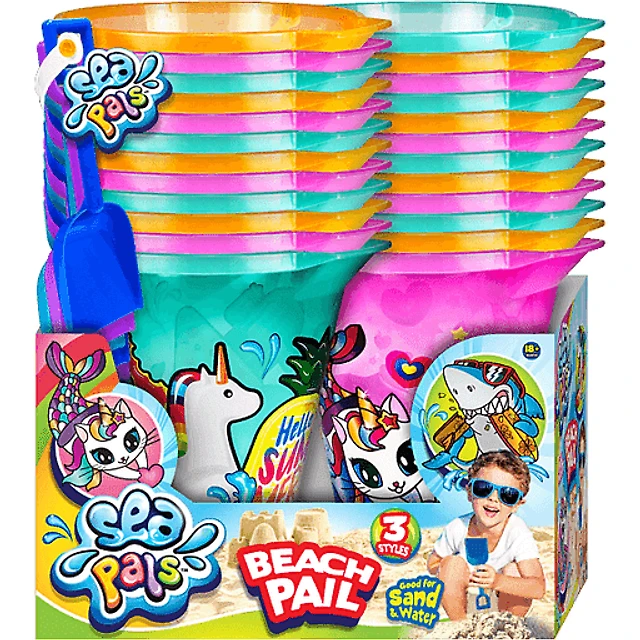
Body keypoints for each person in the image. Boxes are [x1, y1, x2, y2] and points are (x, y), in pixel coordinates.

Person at [427, 451, 545, 620]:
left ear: (517, 505)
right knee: (451, 564)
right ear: (469, 492)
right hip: (465, 601)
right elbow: (433, 563)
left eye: (508, 495)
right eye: (483, 488)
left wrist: (497, 581)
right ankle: (461, 626)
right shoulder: (458, 527)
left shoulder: (517, 532)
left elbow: (538, 588)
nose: (493, 499)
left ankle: (507, 626)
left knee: (515, 571)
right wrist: (457, 575)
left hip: (503, 600)